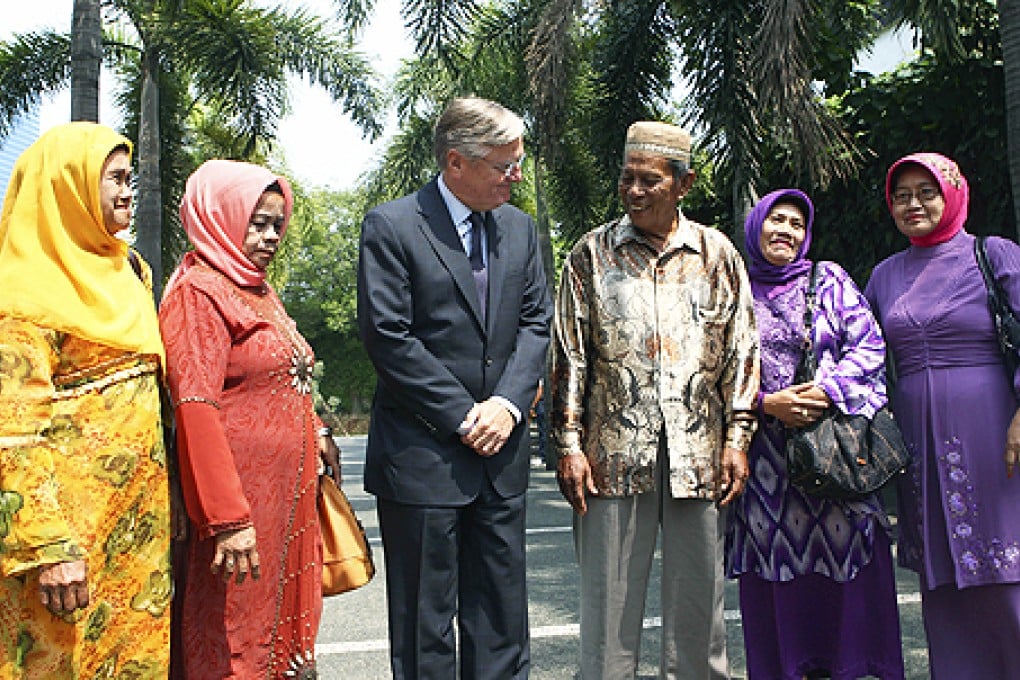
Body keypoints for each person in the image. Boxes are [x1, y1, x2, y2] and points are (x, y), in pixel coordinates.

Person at [550, 121, 758, 679]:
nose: (634, 191)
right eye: (627, 179)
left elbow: (741, 351)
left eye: (649, 181)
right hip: (611, 455)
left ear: (683, 185)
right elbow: (570, 354)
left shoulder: (717, 255)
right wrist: (569, 443)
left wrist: (738, 438)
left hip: (700, 453)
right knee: (608, 613)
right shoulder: (590, 255)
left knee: (699, 612)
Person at [357, 96, 551, 679]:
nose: (515, 177)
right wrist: (466, 416)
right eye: (504, 165)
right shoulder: (391, 225)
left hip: (501, 456)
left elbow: (536, 323)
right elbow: (389, 337)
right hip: (423, 459)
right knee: (425, 628)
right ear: (455, 163)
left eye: (518, 162)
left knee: (501, 623)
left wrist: (508, 406)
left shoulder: (520, 228)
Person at [0, 123, 170, 676]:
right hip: (66, 549)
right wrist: (49, 548)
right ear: (67, 186)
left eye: (130, 178)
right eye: (115, 179)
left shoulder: (132, 272)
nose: (128, 191)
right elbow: (14, 434)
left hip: (138, 541)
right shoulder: (20, 291)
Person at [160, 159, 341, 678]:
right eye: (256, 223)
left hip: (284, 504)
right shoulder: (199, 292)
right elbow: (195, 408)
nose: (269, 237)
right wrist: (227, 520)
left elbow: (281, 374)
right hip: (240, 512)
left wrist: (320, 429)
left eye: (275, 225)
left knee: (279, 636)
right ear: (220, 215)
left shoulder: (255, 287)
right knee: (236, 639)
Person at [725, 189, 905, 679]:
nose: (785, 230)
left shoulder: (828, 279)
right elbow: (707, 368)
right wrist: (766, 404)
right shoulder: (732, 288)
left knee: (845, 559)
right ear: (756, 226)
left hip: (832, 449)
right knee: (776, 566)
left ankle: (851, 667)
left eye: (796, 224)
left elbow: (868, 346)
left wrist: (825, 391)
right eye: (775, 220)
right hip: (765, 464)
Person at [865, 152, 1020, 678]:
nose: (913, 204)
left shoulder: (993, 255)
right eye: (902, 195)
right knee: (943, 576)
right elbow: (858, 354)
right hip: (918, 449)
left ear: (952, 193)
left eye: (926, 192)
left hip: (996, 435)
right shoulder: (885, 276)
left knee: (1007, 571)